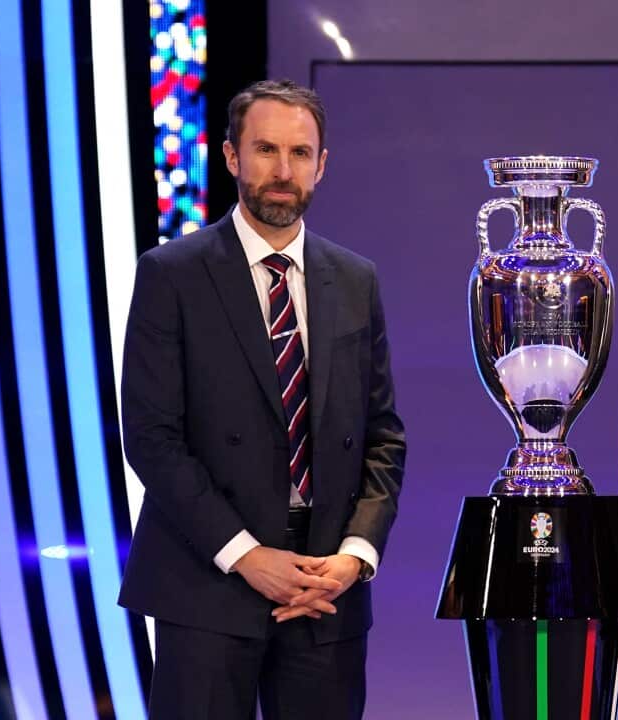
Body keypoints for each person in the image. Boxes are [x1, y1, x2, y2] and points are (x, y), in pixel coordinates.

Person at [118, 79, 406, 720]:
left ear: (322, 164)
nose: (283, 171)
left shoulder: (356, 278)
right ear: (229, 157)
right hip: (207, 582)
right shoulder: (171, 273)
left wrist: (354, 557)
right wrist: (247, 556)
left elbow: (383, 432)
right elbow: (152, 437)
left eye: (300, 153)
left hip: (323, 590)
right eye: (266, 150)